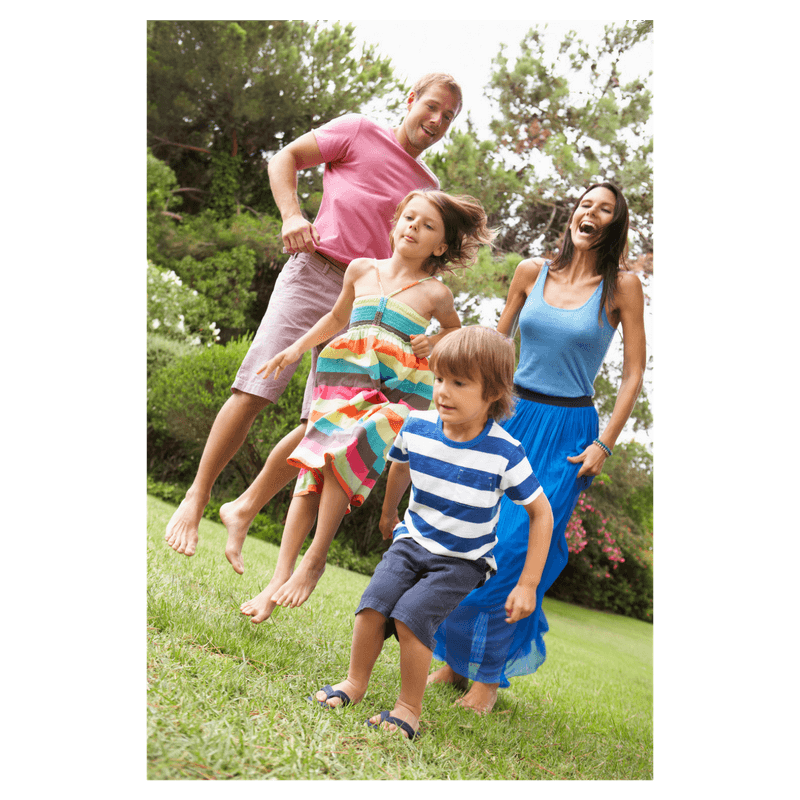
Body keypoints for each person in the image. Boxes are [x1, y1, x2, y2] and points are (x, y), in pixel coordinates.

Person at [164, 74, 463, 573]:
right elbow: (283, 158)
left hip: (369, 308)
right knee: (256, 384)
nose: (436, 121)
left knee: (322, 425)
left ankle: (244, 507)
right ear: (410, 101)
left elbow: (426, 265)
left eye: (448, 117)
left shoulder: (430, 187)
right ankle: (197, 497)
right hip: (315, 272)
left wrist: (429, 329)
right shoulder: (358, 130)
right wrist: (289, 215)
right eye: (431, 107)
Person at [428, 182, 647, 714]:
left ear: (614, 224)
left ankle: (487, 678)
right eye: (584, 204)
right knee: (475, 537)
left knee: (523, 548)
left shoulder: (622, 287)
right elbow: (496, 347)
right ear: (573, 215)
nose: (590, 213)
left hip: (570, 433)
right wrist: (452, 369)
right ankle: (456, 662)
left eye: (604, 209)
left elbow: (634, 373)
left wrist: (606, 443)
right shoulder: (531, 271)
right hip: (511, 417)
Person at [239, 190, 495, 624]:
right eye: (408, 217)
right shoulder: (361, 270)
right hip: (342, 382)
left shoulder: (435, 293)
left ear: (441, 246)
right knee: (312, 470)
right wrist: (296, 348)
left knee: (346, 450)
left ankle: (314, 561)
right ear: (395, 223)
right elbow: (336, 319)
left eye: (427, 225)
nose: (413, 226)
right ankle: (275, 582)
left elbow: (456, 340)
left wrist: (435, 342)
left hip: (395, 396)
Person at [309, 326, 554, 741]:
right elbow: (400, 466)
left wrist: (528, 584)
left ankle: (408, 708)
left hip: (463, 560)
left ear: (492, 392)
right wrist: (389, 515)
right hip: (412, 540)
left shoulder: (504, 451)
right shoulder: (418, 427)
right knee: (373, 605)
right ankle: (355, 683)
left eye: (459, 383)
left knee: (412, 616)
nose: (443, 391)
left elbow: (541, 513)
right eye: (440, 378)